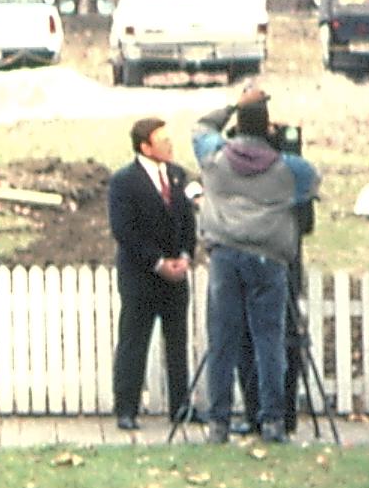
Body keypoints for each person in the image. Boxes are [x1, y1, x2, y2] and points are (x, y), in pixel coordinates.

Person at [192, 87, 320, 446]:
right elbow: (312, 181)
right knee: (269, 342)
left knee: (222, 341)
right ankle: (273, 421)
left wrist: (236, 103)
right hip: (268, 259)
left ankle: (218, 423)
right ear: (267, 129)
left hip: (225, 256)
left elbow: (201, 126)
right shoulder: (288, 168)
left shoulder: (214, 157)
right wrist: (282, 146)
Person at [107, 115, 199, 433]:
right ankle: (127, 408)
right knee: (134, 341)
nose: (170, 145)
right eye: (163, 141)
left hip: (176, 274)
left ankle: (181, 405)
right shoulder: (124, 182)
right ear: (145, 147)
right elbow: (124, 231)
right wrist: (158, 262)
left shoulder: (177, 176)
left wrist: (185, 256)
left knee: (177, 342)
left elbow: (188, 222)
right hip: (141, 276)